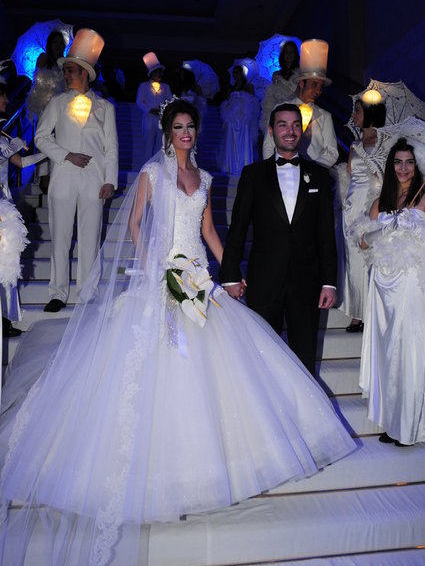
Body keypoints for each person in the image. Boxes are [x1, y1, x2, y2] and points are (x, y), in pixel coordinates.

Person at [0, 98, 356, 565]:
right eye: (179, 127)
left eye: (191, 127)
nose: (186, 133)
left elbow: (208, 231)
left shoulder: (205, 179)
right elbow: (135, 223)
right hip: (161, 278)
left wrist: (230, 271)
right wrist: (156, 270)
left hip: (199, 280)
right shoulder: (153, 174)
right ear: (168, 133)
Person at [220, 102, 338, 376]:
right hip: (263, 280)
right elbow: (238, 229)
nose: (290, 131)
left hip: (307, 282)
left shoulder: (320, 176)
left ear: (302, 131)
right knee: (263, 358)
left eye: (296, 125)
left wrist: (329, 282)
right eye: (283, 125)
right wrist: (230, 275)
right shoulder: (252, 175)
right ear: (271, 131)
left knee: (304, 357)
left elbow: (325, 234)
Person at [34, 28, 118, 313]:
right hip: (63, 176)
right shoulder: (57, 103)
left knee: (90, 237)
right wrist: (66, 155)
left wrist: (110, 180)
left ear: (85, 73)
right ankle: (58, 292)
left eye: (70, 71)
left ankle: (87, 293)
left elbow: (111, 147)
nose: (66, 75)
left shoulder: (105, 107)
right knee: (60, 236)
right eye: (65, 71)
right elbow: (41, 137)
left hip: (94, 179)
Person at [359, 137, 425, 446]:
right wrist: (381, 230)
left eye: (409, 162)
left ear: (417, 165)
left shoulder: (423, 195)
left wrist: (411, 224)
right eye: (398, 162)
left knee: (408, 350)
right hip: (382, 284)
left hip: (410, 282)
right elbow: (362, 241)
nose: (403, 168)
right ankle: (393, 421)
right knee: (387, 353)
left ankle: (410, 426)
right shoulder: (380, 201)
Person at [0, 80, 44, 336]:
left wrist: (50, 153)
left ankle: (5, 318)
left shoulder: (3, 136)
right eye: (3, 96)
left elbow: (22, 162)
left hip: (5, 205)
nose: (7, 101)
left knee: (7, 261)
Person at [340, 92, 387, 332]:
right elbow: (349, 173)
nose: (354, 115)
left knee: (372, 256)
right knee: (353, 259)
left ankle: (373, 311)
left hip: (375, 204)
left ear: (369, 112)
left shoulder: (386, 143)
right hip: (352, 205)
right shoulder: (354, 144)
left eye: (357, 110)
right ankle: (357, 313)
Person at [262, 40, 339, 168]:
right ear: (302, 84)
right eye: (314, 85)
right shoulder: (280, 110)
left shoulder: (325, 116)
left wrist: (313, 170)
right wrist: (272, 171)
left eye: (321, 87)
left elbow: (332, 152)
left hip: (313, 174)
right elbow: (269, 145)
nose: (318, 91)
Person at [26, 30, 67, 193]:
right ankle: (44, 176)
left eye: (60, 43)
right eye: (55, 42)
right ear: (50, 44)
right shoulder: (43, 58)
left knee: (59, 140)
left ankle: (56, 174)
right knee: (44, 139)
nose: (58, 46)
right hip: (44, 105)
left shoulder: (64, 63)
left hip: (61, 108)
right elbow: (38, 81)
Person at [219, 65, 259, 174]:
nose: (235, 75)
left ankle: (244, 163)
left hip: (244, 119)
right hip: (232, 119)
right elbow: (227, 102)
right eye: (234, 73)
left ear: (241, 74)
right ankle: (231, 165)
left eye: (237, 72)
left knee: (243, 140)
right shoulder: (231, 88)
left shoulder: (248, 86)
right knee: (232, 141)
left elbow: (253, 102)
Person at [136, 52, 173, 159]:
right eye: (158, 72)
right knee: (148, 144)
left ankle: (158, 165)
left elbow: (170, 100)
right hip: (148, 118)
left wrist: (163, 109)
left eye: (161, 72)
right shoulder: (143, 86)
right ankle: (147, 166)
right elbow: (139, 101)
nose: (160, 74)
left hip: (161, 119)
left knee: (160, 145)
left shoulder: (166, 87)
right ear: (152, 73)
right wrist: (149, 110)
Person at [260, 41, 300, 138]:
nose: (289, 55)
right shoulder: (276, 74)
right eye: (286, 52)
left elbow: (301, 95)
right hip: (277, 114)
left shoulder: (301, 74)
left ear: (295, 54)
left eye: (291, 52)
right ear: (282, 55)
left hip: (294, 112)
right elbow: (271, 98)